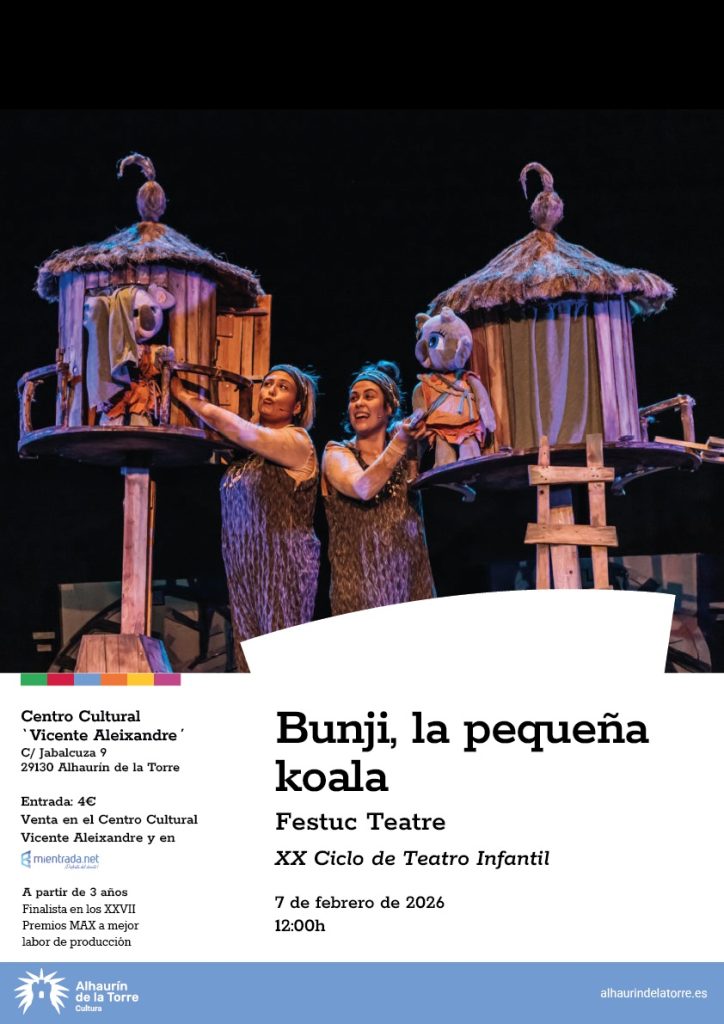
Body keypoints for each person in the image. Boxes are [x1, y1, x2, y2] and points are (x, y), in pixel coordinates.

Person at [171, 365, 320, 671]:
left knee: (280, 661)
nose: (271, 391)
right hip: (243, 568)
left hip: (283, 568)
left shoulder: (297, 441)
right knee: (248, 661)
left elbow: (241, 429)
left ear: (297, 407)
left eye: (282, 387)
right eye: (268, 384)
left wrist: (185, 395)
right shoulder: (244, 456)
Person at [322, 361, 435, 616]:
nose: (358, 403)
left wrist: (420, 432)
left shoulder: (407, 453)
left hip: (412, 591)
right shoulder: (336, 452)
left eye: (368, 396)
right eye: (353, 398)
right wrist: (401, 441)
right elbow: (363, 487)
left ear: (388, 408)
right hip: (357, 597)